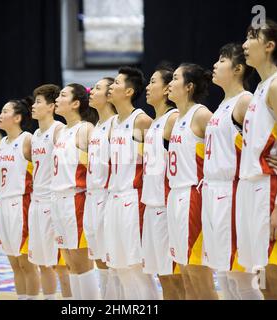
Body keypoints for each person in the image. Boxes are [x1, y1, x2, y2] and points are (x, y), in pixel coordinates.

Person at [238, 19, 277, 299]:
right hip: (252, 190)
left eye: (252, 38)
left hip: (272, 190)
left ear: (269, 46)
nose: (244, 44)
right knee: (262, 281)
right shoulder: (260, 89)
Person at [202, 43, 264, 300]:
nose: (215, 65)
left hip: (231, 192)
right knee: (224, 274)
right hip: (212, 191)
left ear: (238, 69)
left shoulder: (245, 101)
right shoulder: (222, 106)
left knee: (241, 276)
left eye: (222, 60)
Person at [105, 67, 158, 300]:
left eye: (115, 83)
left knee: (136, 266)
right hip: (114, 197)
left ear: (128, 91)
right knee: (119, 267)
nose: (110, 87)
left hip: (132, 197)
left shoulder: (142, 120)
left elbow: (156, 163)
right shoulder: (114, 122)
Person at [167, 63, 218, 299]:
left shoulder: (202, 114)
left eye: (175, 78)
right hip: (175, 196)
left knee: (199, 274)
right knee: (185, 275)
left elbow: (230, 145)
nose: (170, 83)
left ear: (188, 86)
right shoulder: (178, 118)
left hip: (192, 196)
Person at [51, 83, 101, 299]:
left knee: (82, 263)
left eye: (62, 95)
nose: (57, 99)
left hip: (75, 199)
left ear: (75, 103)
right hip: (58, 200)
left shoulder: (86, 129)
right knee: (69, 262)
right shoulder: (61, 131)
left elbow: (98, 166)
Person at [141, 65, 186, 300]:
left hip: (167, 206)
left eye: (152, 82)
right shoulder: (155, 122)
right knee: (163, 276)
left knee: (176, 278)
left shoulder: (173, 118)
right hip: (152, 205)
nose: (147, 87)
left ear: (167, 88)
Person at [29, 84, 72, 300]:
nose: (33, 106)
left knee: (61, 265)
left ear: (51, 106)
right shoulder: (35, 134)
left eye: (38, 102)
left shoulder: (59, 130)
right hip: (36, 203)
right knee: (41, 263)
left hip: (53, 203)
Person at [0, 98, 40, 300]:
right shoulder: (2, 143)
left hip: (21, 203)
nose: (0, 114)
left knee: (25, 263)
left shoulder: (28, 140)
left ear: (18, 117)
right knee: (13, 262)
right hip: (3, 204)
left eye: (5, 111)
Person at [83, 77, 122, 299]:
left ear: (109, 96)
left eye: (97, 88)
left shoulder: (116, 124)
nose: (91, 91)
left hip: (108, 198)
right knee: (99, 259)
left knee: (113, 261)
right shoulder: (96, 126)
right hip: (92, 198)